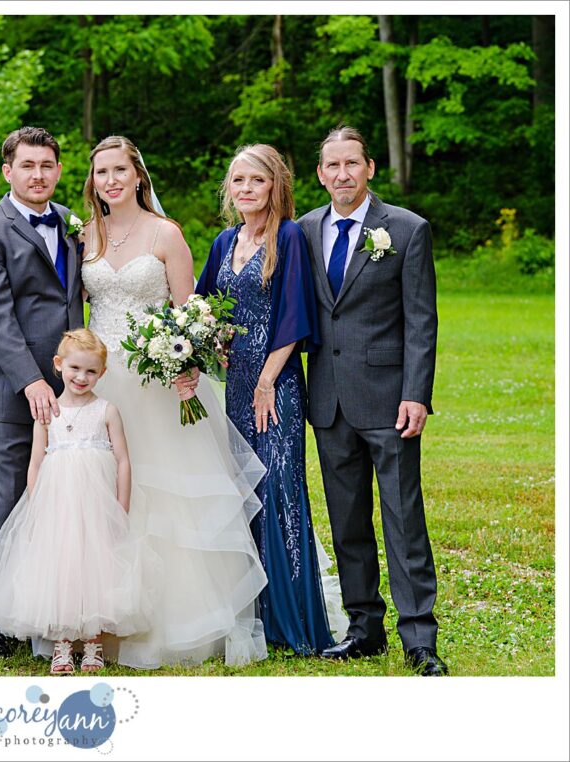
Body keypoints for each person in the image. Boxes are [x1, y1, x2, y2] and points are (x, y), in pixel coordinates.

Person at [80, 135, 269, 669]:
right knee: (104, 495)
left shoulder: (167, 234)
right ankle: (99, 620)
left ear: (139, 176)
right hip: (98, 381)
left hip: (159, 385)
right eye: (101, 173)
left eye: (120, 170)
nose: (111, 181)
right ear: (92, 181)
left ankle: (176, 621)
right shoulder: (86, 235)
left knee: (164, 498)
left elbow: (192, 314)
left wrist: (183, 362)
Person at [297, 125, 446, 676]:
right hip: (329, 400)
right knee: (347, 520)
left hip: (390, 400)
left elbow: (421, 321)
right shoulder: (305, 230)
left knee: (404, 518)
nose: (342, 175)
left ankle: (419, 638)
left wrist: (417, 395)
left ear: (369, 168)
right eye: (332, 166)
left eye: (351, 164)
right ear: (320, 173)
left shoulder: (405, 230)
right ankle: (364, 628)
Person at [196, 144, 347, 655]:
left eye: (255, 181)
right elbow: (207, 307)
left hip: (275, 386)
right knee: (244, 494)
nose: (245, 190)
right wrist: (209, 340)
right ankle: (254, 613)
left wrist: (266, 381)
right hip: (234, 384)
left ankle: (292, 619)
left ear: (275, 185)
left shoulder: (289, 237)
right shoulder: (222, 241)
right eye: (237, 181)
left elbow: (293, 315)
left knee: (281, 489)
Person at [0, 126, 85, 661]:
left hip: (76, 392)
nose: (38, 175)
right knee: (5, 505)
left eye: (47, 166)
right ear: (7, 171)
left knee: (66, 505)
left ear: (58, 171)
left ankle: (54, 615)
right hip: (7, 394)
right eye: (27, 166)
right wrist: (32, 381)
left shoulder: (75, 226)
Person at [0, 329, 151, 674]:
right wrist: (35, 504)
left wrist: (121, 505)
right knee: (62, 570)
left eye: (91, 371)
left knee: (97, 569)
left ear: (102, 373)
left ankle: (93, 644)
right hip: (58, 506)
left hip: (97, 506)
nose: (81, 377)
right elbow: (36, 461)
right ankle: (61, 644)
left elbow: (122, 460)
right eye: (74, 368)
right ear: (59, 365)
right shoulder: (48, 412)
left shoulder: (107, 411)